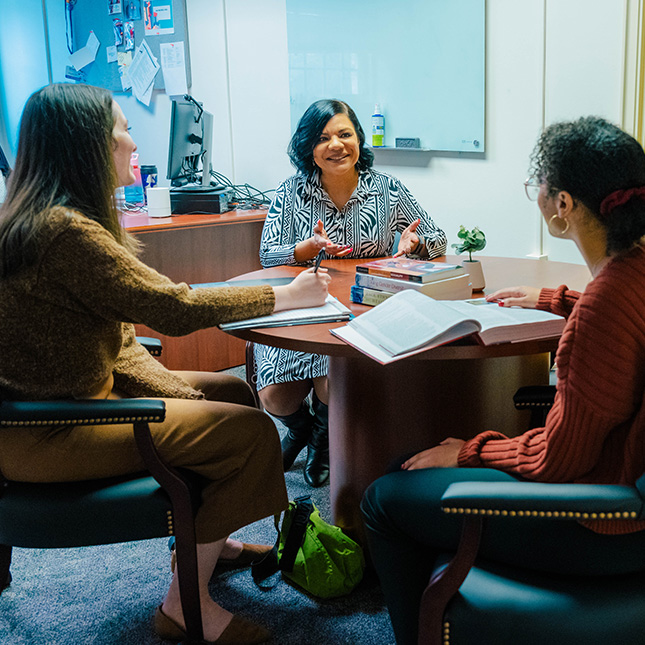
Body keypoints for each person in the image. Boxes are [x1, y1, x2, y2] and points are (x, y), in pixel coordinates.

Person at [0, 83, 331, 645]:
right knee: (250, 433)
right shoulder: (65, 233)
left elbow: (123, 339)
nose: (133, 140)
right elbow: (171, 308)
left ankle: (209, 539)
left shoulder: (51, 219)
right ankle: (184, 607)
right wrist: (286, 297)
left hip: (61, 405)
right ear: (85, 145)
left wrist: (191, 399)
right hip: (52, 430)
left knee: (233, 399)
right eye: (121, 130)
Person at [360, 116, 645, 644]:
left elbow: (559, 459)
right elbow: (624, 327)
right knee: (412, 472)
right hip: (626, 505)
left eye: (538, 185)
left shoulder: (607, 304)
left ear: (563, 204)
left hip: (603, 525)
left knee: (385, 493)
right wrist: (558, 301)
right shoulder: (635, 270)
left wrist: (472, 450)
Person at [255, 99, 447, 487]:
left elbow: (435, 236)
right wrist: (303, 250)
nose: (336, 145)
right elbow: (266, 253)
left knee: (333, 380)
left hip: (363, 309)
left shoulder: (387, 188)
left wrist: (415, 243)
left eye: (345, 134)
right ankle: (301, 430)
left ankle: (322, 443)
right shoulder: (291, 192)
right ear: (309, 146)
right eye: (324, 138)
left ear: (359, 139)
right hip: (304, 305)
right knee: (276, 396)